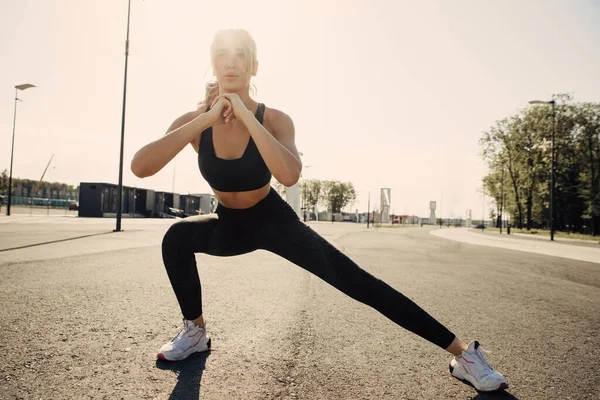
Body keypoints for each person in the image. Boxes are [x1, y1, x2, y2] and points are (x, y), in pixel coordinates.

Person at [131, 29, 508, 393]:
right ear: (212, 64)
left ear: (254, 66)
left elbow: (289, 174)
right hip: (228, 224)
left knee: (359, 283)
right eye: (222, 57)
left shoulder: (275, 119)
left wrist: (245, 114)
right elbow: (141, 167)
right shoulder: (196, 124)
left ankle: (464, 356)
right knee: (177, 236)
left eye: (240, 56)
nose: (231, 64)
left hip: (273, 221)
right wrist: (207, 118)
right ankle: (195, 332)